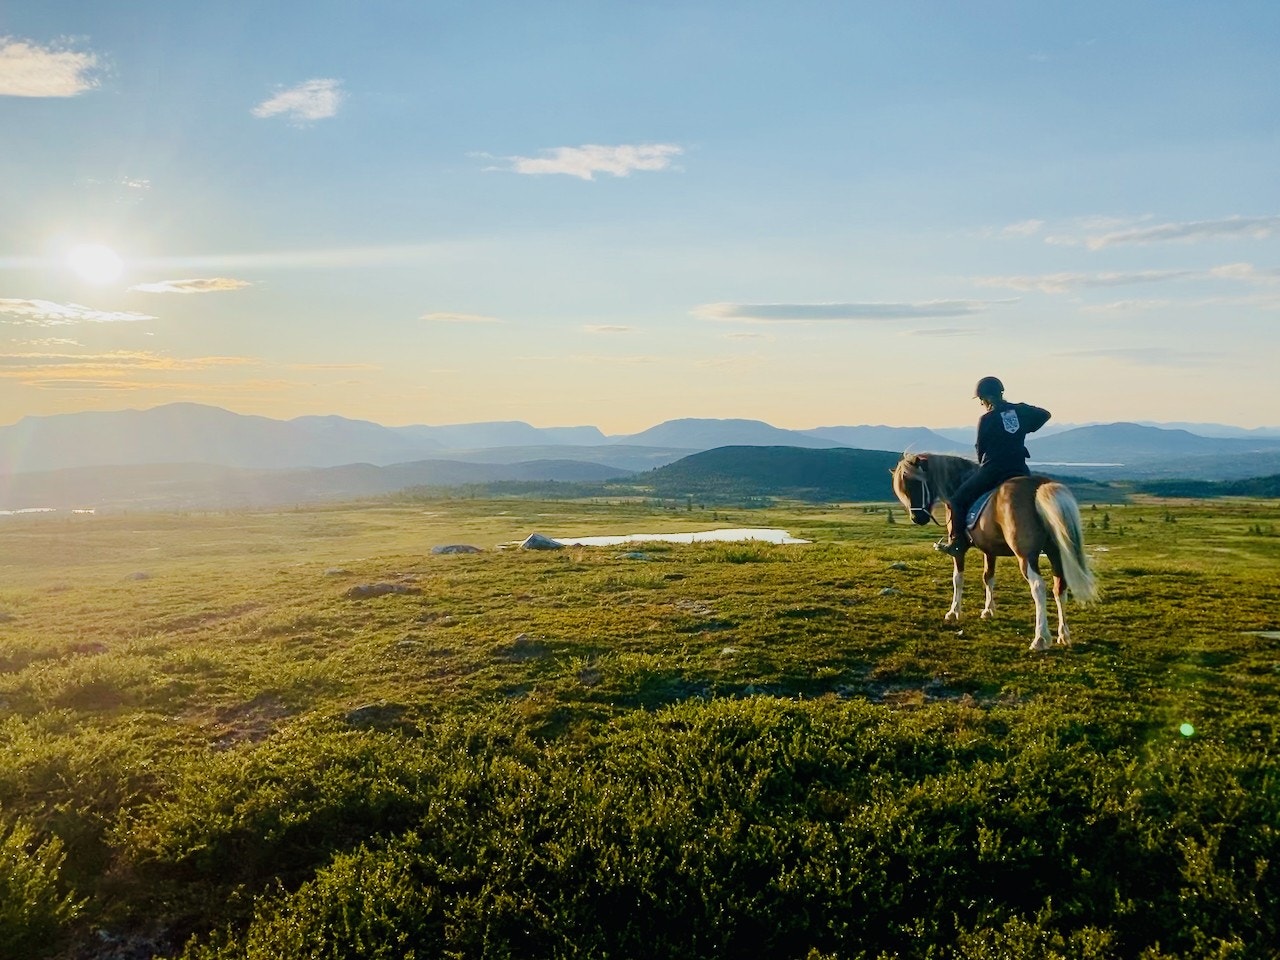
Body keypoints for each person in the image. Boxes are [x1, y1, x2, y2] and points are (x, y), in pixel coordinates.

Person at [934, 376, 1051, 557]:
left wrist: (983, 465)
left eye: (981, 400)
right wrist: (1027, 425)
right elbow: (1045, 414)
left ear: (985, 398)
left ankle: (956, 542)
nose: (981, 403)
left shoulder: (987, 419)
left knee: (957, 500)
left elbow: (980, 448)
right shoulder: (1019, 410)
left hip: (993, 470)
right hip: (1020, 468)